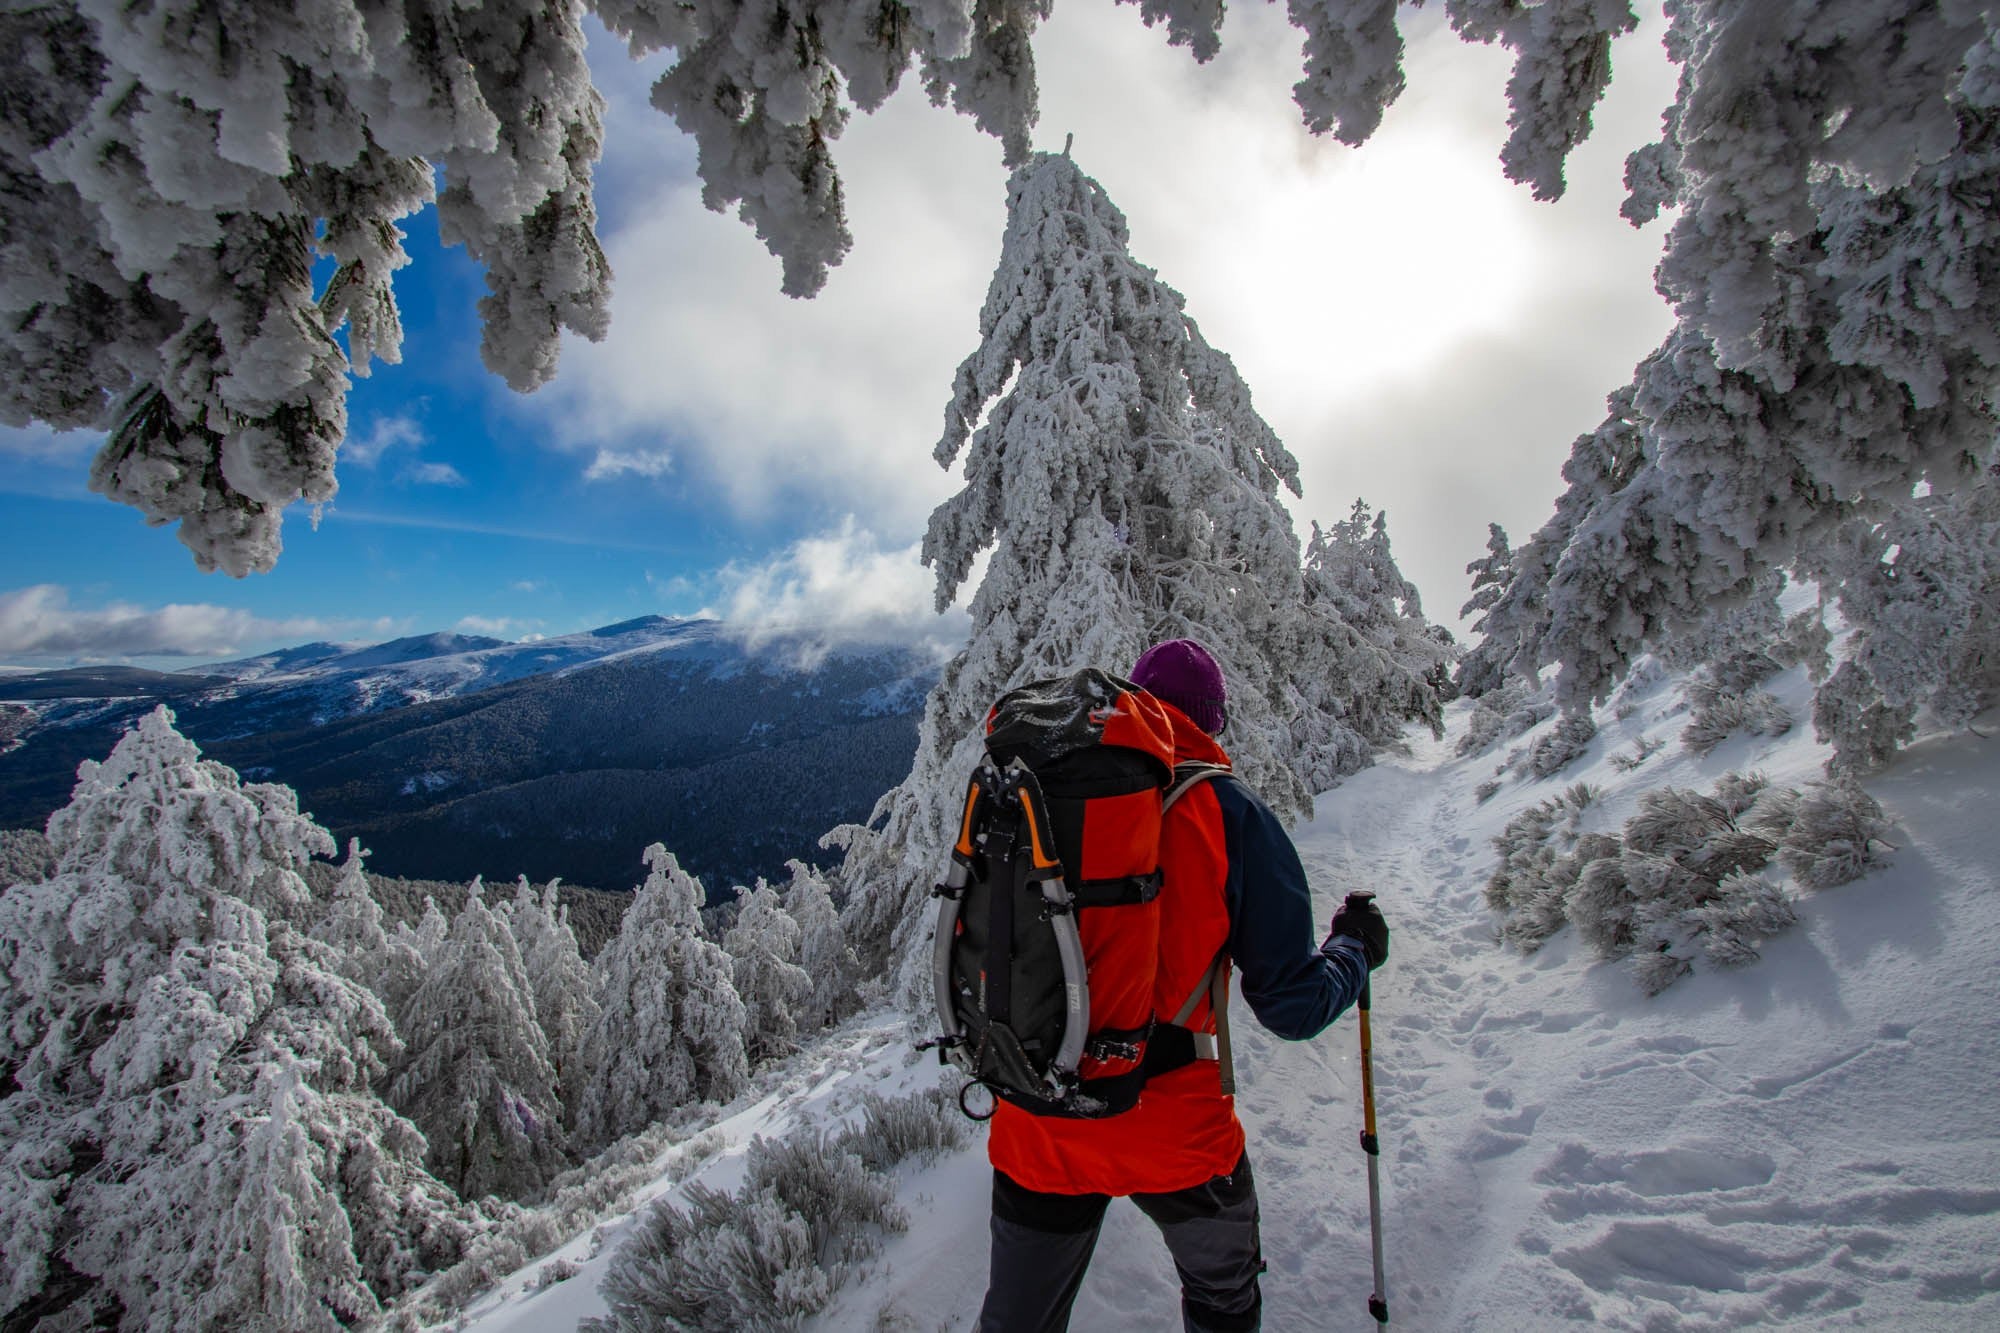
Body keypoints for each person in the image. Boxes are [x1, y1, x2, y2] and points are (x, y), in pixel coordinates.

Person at [977, 638, 1390, 1333]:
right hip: (1177, 1134)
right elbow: (1291, 1006)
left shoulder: (1043, 796)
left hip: (1039, 1118)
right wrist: (1354, 950)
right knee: (1224, 1305)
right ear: (1212, 722)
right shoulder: (1233, 816)